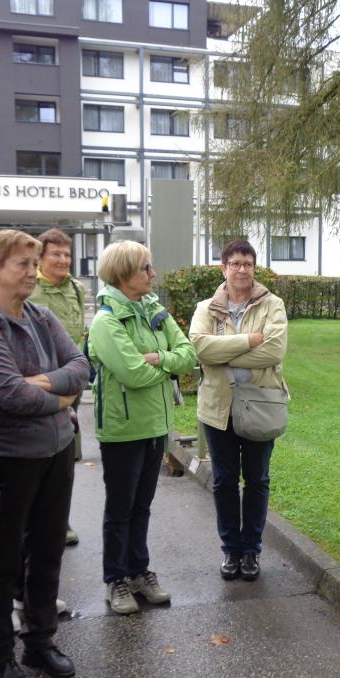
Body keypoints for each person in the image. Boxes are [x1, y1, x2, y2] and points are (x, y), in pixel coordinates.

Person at [0, 230, 89, 678]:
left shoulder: (41, 314)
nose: (33, 273)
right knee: (2, 557)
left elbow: (81, 366)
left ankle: (40, 641)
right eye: (23, 264)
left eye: (35, 264)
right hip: (10, 457)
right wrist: (62, 398)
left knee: (48, 549)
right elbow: (9, 394)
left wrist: (43, 382)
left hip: (56, 450)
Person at [87, 241, 196, 614]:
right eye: (145, 268)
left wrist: (158, 359)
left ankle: (137, 571)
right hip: (123, 428)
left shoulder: (153, 309)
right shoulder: (106, 321)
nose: (153, 274)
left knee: (142, 506)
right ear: (123, 274)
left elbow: (188, 354)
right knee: (120, 508)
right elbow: (132, 374)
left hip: (156, 425)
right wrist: (167, 367)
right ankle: (115, 579)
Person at [189, 240, 288, 581]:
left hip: (259, 405)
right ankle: (231, 549)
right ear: (224, 268)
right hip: (218, 409)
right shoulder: (206, 307)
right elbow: (200, 348)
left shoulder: (272, 304)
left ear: (254, 268)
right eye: (235, 263)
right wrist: (248, 341)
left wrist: (223, 355)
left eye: (248, 263)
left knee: (257, 480)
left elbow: (273, 351)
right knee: (225, 480)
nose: (242, 269)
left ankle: (251, 551)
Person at [29, 228, 86, 544]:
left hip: (70, 383)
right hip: (38, 385)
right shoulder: (30, 288)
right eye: (56, 254)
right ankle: (33, 524)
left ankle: (60, 522)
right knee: (37, 454)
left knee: (65, 455)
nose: (63, 260)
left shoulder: (76, 288)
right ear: (40, 257)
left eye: (67, 254)